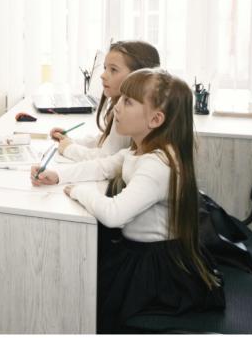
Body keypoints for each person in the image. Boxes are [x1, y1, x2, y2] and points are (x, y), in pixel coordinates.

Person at [32, 68, 225, 332]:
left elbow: (114, 215)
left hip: (158, 266)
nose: (116, 107)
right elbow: (103, 167)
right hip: (139, 250)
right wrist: (57, 176)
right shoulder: (140, 148)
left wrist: (78, 191)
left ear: (156, 119)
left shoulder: (158, 165)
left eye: (127, 102)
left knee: (96, 298)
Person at [50, 41, 160, 161]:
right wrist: (71, 141)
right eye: (105, 68)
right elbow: (104, 141)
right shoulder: (121, 105)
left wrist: (69, 148)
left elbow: (106, 157)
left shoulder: (131, 114)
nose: (103, 75)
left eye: (113, 70)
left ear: (137, 76)